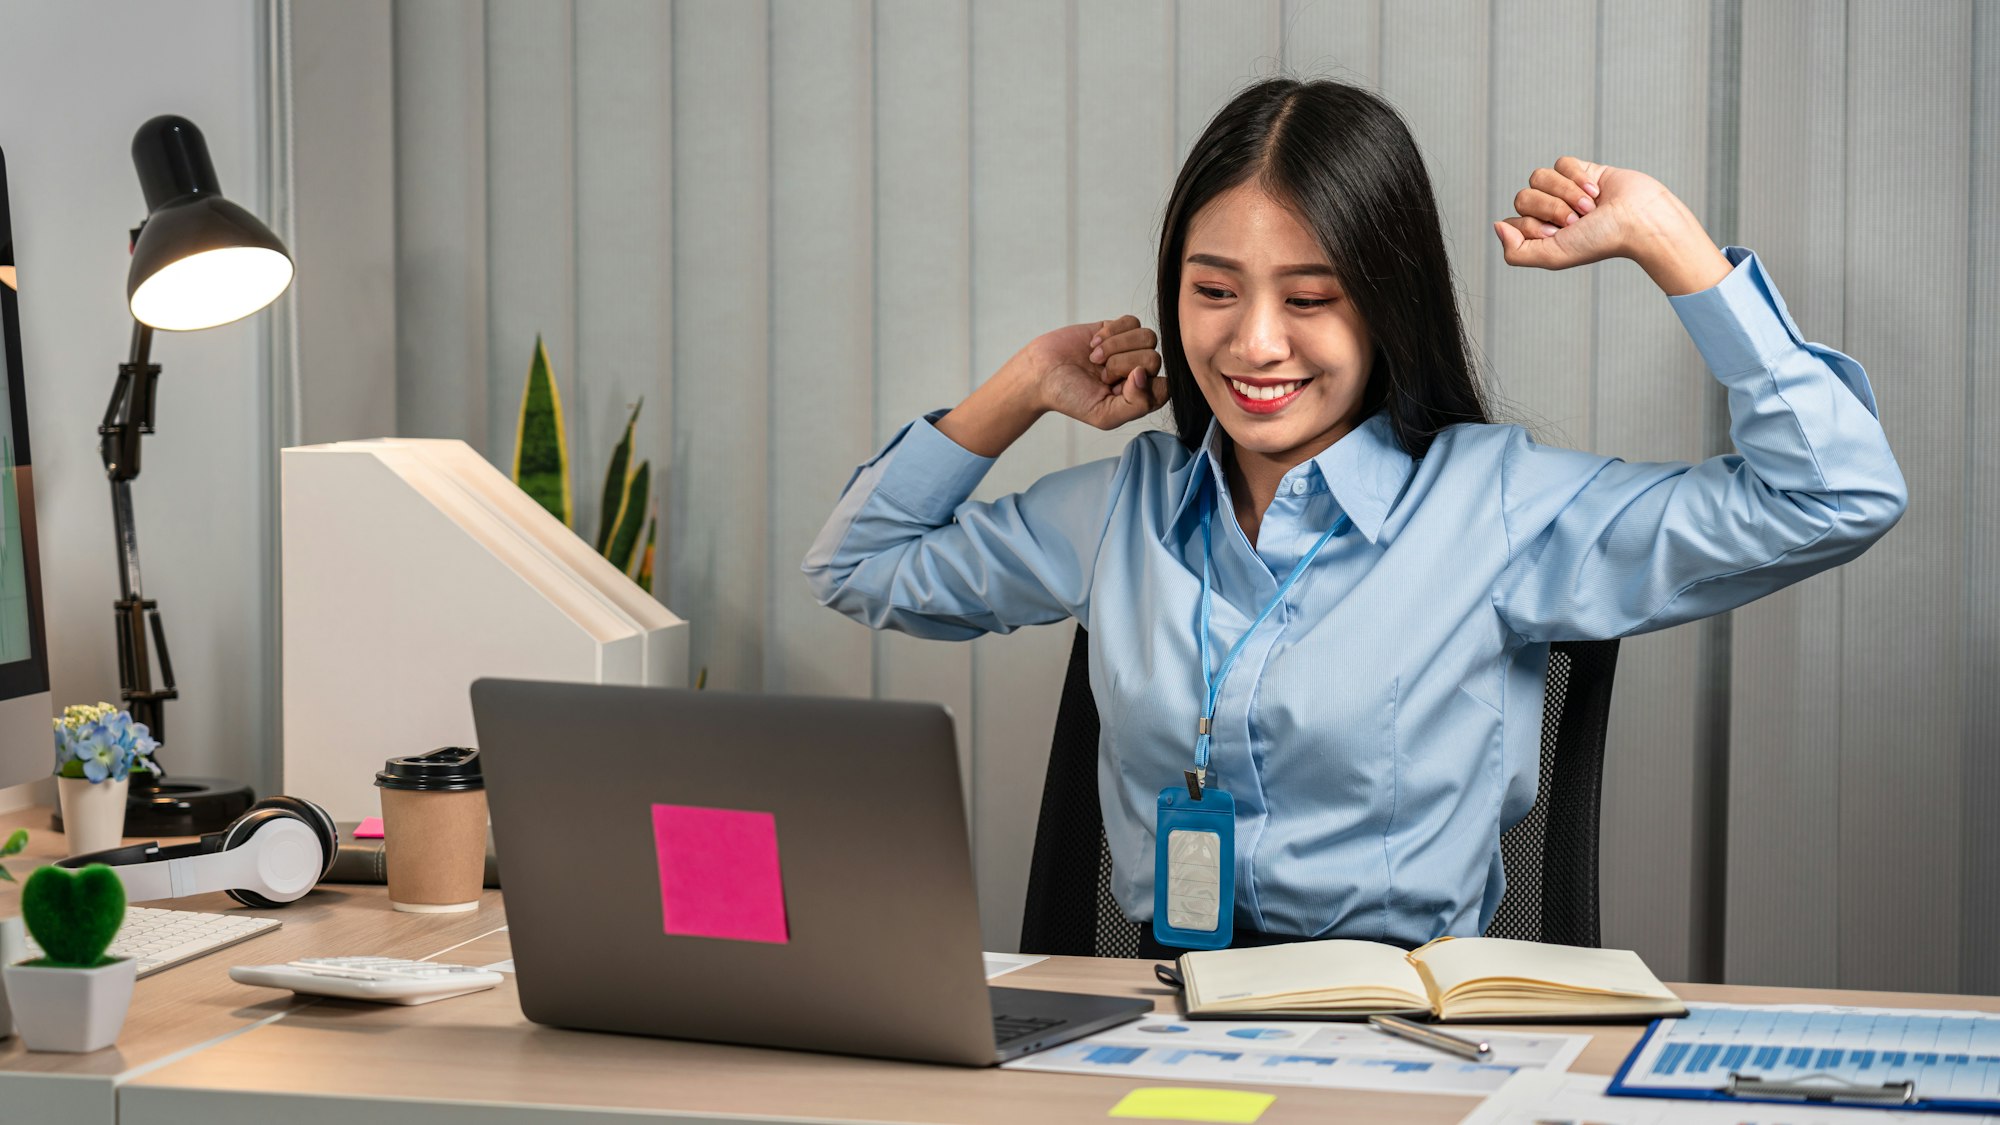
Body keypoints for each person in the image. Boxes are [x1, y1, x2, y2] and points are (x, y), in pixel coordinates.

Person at [802, 78, 1904, 955]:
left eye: (1311, 297)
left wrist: (1674, 248)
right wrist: (1026, 385)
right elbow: (858, 564)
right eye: (1214, 289)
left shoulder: (1495, 505)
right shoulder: (1124, 509)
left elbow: (1833, 495)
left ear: (1386, 303)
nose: (1254, 345)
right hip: (1158, 1022)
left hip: (1396, 1032)